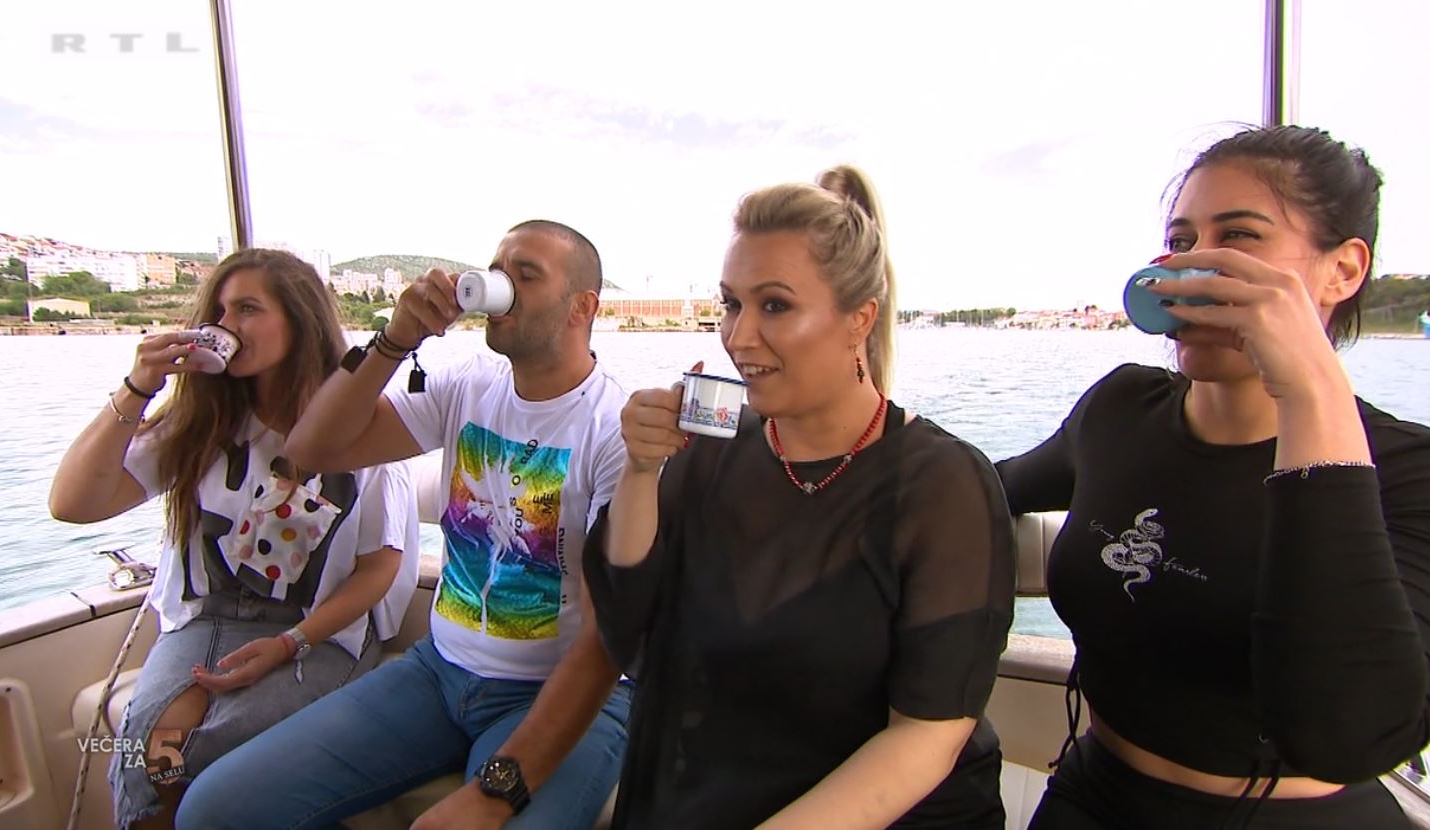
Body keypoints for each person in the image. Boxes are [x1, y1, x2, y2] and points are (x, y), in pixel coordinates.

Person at [997, 125, 1430, 829]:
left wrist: (1309, 390)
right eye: (1181, 242)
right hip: (1093, 794)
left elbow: (1350, 733)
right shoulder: (1121, 409)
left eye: (1236, 238)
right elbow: (982, 487)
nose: (1193, 268)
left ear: (1343, 269)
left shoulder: (1417, 474)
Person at [584, 166, 1016, 829]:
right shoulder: (712, 450)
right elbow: (627, 615)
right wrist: (641, 471)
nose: (738, 336)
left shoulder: (943, 487)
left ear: (858, 320)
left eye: (776, 306)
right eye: (732, 304)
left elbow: (927, 735)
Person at [176, 221, 631, 830]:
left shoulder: (614, 431)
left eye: (526, 275)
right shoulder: (468, 385)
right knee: (213, 810)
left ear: (583, 307)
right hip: (438, 671)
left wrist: (494, 793)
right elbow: (312, 447)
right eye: (497, 270)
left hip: (554, 692)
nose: (500, 285)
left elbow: (606, 636)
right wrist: (394, 341)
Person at [49, 248, 420, 829]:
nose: (226, 325)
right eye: (219, 311)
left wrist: (289, 643)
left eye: (247, 309)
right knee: (151, 752)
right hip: (206, 620)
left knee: (194, 756)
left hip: (318, 633)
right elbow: (73, 505)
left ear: (299, 322)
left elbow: (379, 568)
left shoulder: (361, 428)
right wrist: (137, 388)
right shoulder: (200, 424)